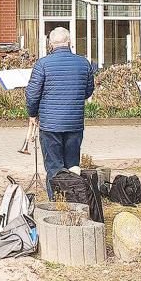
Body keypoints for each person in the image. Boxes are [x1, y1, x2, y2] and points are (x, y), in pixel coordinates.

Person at [25, 27, 95, 200]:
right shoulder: (83, 63)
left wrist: (32, 114)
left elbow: (32, 94)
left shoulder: (42, 64)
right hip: (75, 123)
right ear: (69, 42)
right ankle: (74, 200)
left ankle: (56, 201)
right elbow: (88, 91)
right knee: (73, 165)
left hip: (50, 125)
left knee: (54, 166)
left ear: (50, 44)